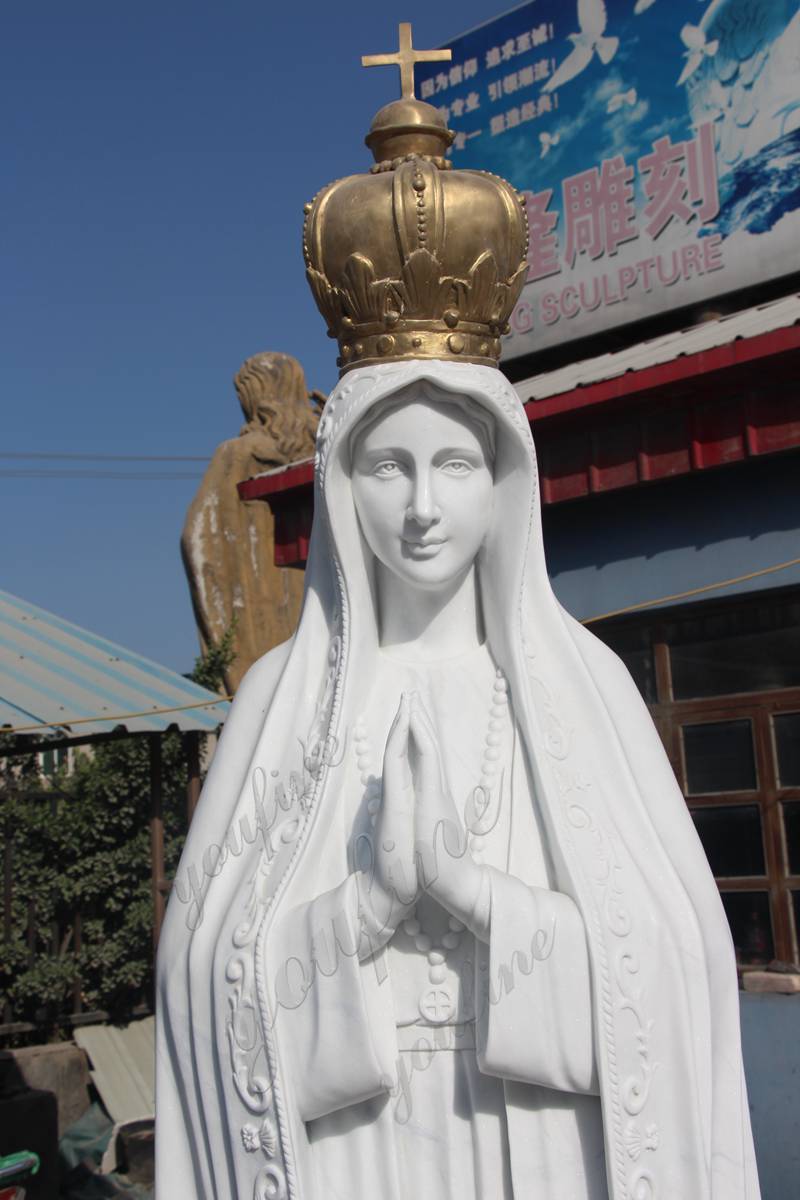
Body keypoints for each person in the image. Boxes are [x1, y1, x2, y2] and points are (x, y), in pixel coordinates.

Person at [156, 359, 760, 1200]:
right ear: (341, 487)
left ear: (503, 480)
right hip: (354, 1156)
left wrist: (476, 896)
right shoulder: (279, 701)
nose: (423, 509)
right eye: (388, 468)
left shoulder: (583, 684)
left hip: (547, 1147)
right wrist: (369, 907)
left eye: (454, 465)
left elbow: (674, 963)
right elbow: (200, 973)